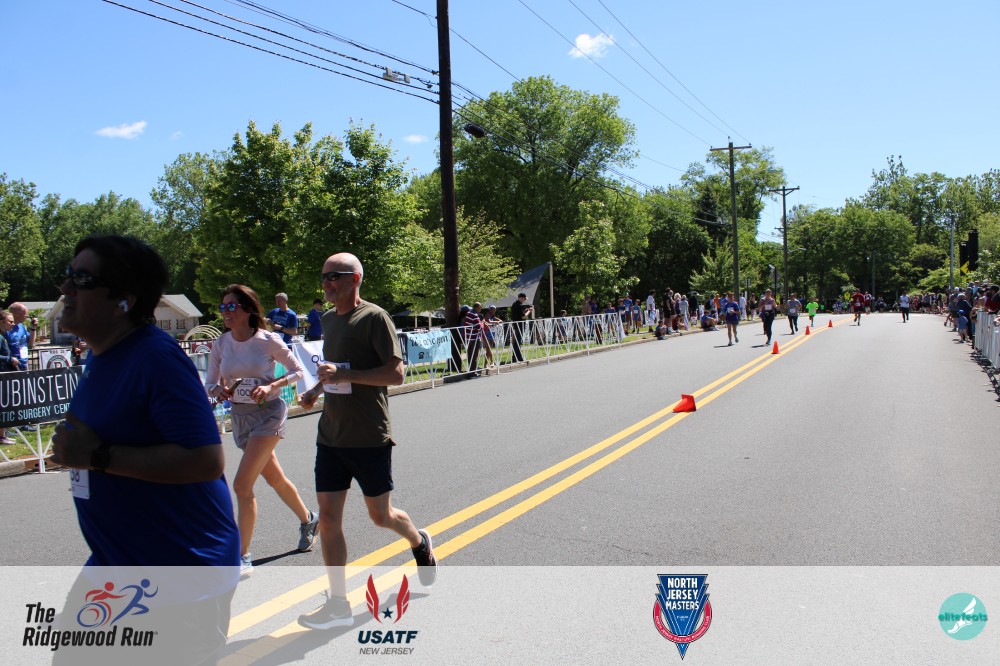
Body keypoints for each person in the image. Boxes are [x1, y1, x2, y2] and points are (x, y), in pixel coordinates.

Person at [49, 235, 240, 664]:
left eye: (83, 279)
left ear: (124, 300)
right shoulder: (102, 354)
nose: (66, 288)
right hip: (116, 563)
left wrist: (97, 456)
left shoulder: (155, 358)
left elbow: (206, 460)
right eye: (68, 274)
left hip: (179, 575)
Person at [296, 252, 437, 630]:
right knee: (328, 519)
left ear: (355, 278)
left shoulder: (374, 318)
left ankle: (419, 541)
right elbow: (333, 371)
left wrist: (345, 374)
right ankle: (338, 603)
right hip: (331, 435)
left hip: (369, 435)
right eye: (324, 276)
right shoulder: (328, 319)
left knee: (381, 516)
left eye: (334, 276)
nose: (326, 282)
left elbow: (395, 375)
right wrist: (314, 391)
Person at [205, 284, 318, 578]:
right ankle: (308, 518)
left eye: (231, 306)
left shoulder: (267, 340)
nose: (225, 312)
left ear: (247, 309)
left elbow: (297, 371)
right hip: (240, 418)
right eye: (222, 307)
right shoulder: (221, 343)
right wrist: (219, 390)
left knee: (242, 485)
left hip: (268, 414)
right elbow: (210, 383)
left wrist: (271, 386)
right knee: (275, 478)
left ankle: (242, 555)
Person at [0, 310, 17, 444]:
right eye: (10, 321)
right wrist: (10, 359)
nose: (13, 324)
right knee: (2, 406)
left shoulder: (3, 336)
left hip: (4, 374)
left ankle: (3, 435)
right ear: (1, 322)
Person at [510, 293, 532, 363]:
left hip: (516, 325)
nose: (524, 300)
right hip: (519, 325)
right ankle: (517, 358)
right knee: (517, 342)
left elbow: (518, 314)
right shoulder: (518, 305)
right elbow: (523, 317)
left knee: (518, 342)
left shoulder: (515, 304)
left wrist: (525, 311)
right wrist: (529, 311)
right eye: (524, 299)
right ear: (521, 298)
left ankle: (516, 357)